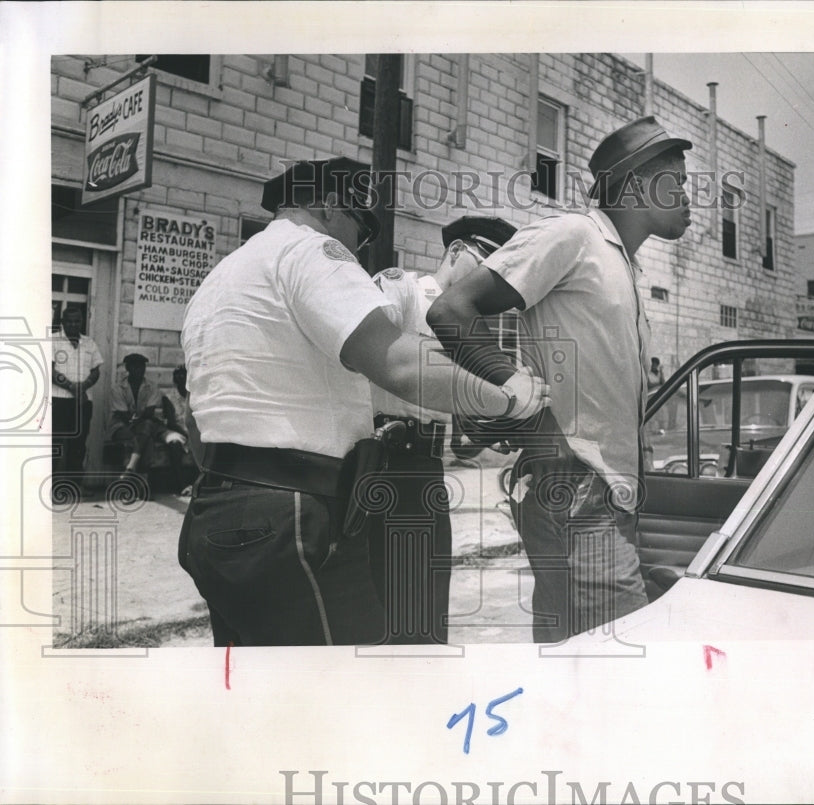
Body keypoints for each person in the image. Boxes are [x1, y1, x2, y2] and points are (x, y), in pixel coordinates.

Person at [178, 158, 548, 647]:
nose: (359, 246)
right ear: (330, 207)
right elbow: (397, 365)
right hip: (290, 514)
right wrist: (507, 399)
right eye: (361, 227)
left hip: (215, 511)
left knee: (260, 696)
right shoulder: (312, 252)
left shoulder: (221, 277)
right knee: (361, 690)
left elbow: (194, 418)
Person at [428, 116, 692, 642]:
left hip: (604, 494)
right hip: (576, 489)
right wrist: (528, 408)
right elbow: (453, 310)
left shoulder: (622, 264)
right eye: (678, 181)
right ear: (639, 185)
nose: (688, 195)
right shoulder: (573, 234)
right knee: (622, 661)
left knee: (570, 658)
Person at [368, 215, 517, 644]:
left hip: (428, 473)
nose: (491, 279)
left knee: (427, 615)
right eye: (484, 262)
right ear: (455, 252)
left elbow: (466, 437)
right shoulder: (402, 289)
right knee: (380, 614)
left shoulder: (472, 328)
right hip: (380, 464)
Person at [51, 307, 102, 477]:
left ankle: (75, 485)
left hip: (82, 402)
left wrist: (84, 386)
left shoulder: (89, 343)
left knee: (79, 444)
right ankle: (49, 487)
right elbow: (50, 371)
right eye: (69, 321)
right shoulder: (53, 341)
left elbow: (96, 370)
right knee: (54, 444)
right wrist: (72, 387)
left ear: (82, 322)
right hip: (58, 401)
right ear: (63, 322)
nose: (73, 324)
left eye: (77, 321)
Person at [107, 353, 163, 478]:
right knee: (145, 437)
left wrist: (138, 420)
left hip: (143, 425)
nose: (140, 370)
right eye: (135, 366)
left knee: (146, 430)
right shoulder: (118, 389)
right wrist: (138, 419)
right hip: (121, 427)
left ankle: (130, 471)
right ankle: (142, 482)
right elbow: (123, 415)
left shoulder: (152, 387)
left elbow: (150, 412)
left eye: (142, 366)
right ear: (128, 368)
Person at [160, 365, 197, 496]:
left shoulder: (193, 396)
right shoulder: (168, 397)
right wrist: (186, 433)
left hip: (191, 430)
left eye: (184, 375)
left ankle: (197, 485)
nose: (180, 378)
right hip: (175, 430)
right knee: (175, 444)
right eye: (177, 375)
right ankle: (181, 484)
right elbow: (171, 422)